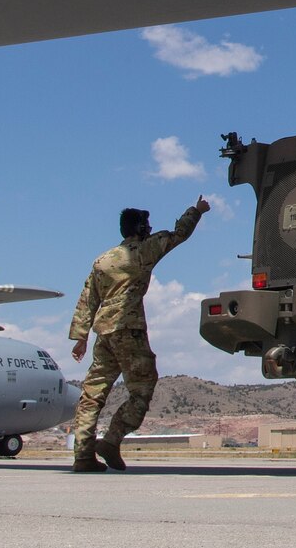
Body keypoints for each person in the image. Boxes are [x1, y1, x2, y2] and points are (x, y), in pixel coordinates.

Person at [67, 196, 208, 472]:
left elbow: (87, 299)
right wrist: (197, 211)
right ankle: (112, 440)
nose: (151, 228)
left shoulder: (102, 261)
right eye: (148, 225)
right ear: (141, 228)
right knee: (141, 390)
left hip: (103, 335)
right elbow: (179, 234)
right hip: (129, 331)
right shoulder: (143, 251)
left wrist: (81, 337)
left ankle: (83, 455)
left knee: (92, 395)